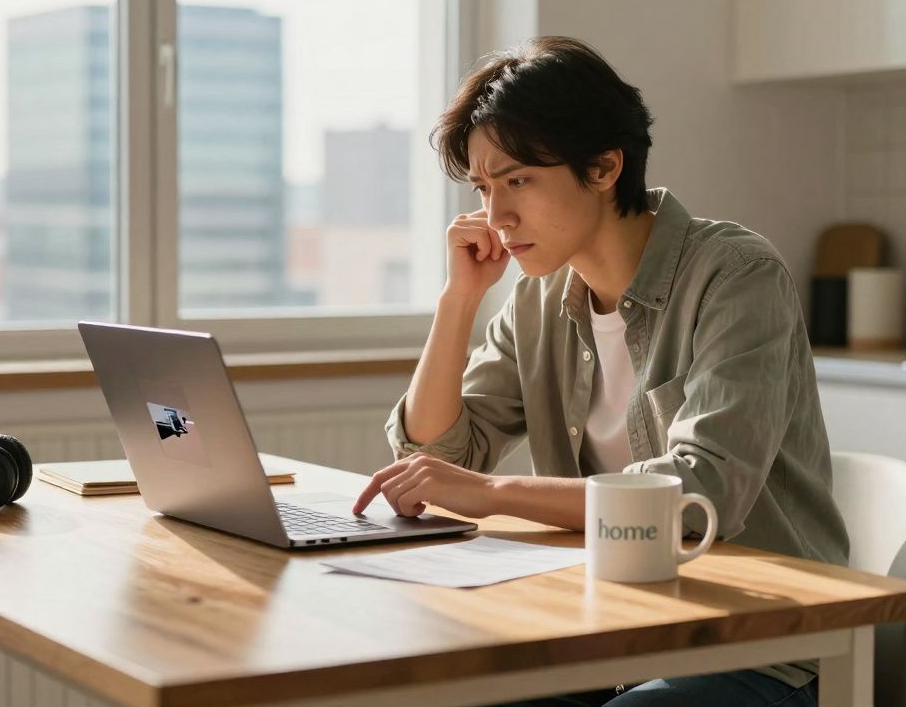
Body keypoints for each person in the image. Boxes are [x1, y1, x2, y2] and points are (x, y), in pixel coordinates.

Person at [351, 36, 848, 707]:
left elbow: (698, 497)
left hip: (755, 645)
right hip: (607, 632)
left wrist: (494, 492)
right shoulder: (538, 296)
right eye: (482, 187)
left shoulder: (736, 276)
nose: (495, 217)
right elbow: (438, 456)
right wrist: (459, 299)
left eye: (518, 180)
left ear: (605, 167)